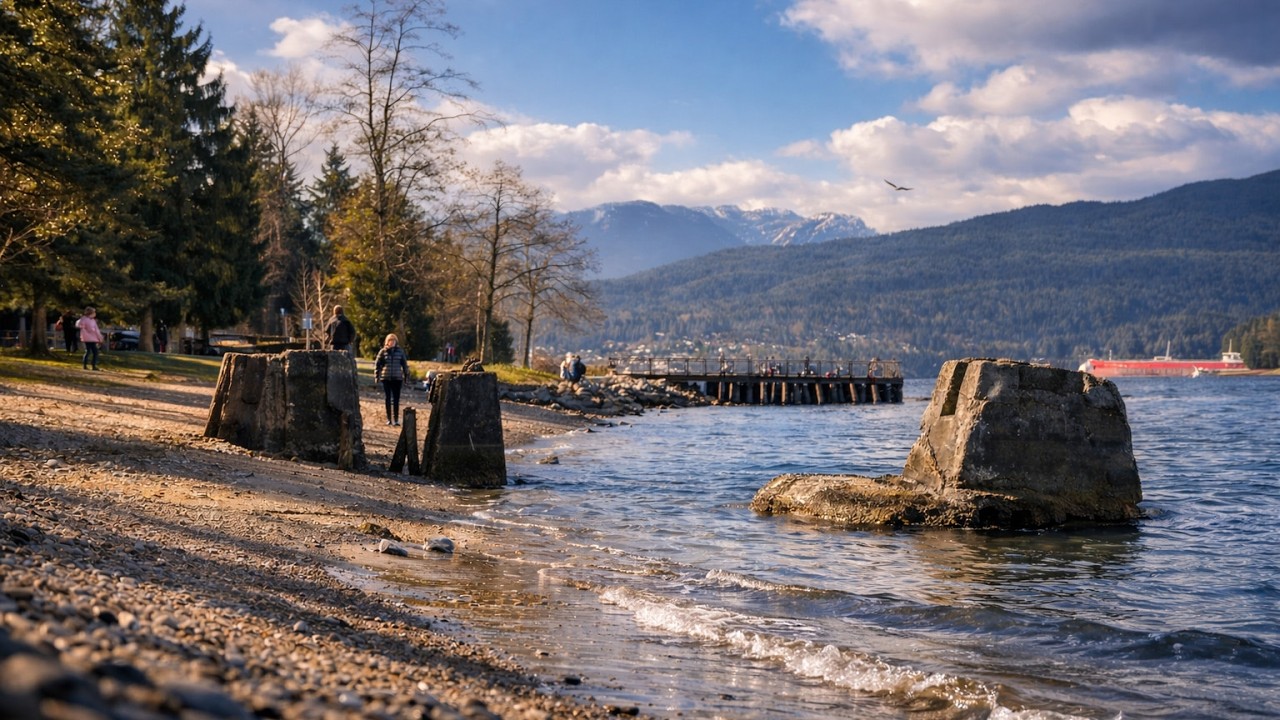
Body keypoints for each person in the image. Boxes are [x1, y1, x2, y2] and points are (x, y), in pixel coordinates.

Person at [374, 333, 410, 426]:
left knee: (396, 399)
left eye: (393, 341)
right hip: (386, 378)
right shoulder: (383, 352)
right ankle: (389, 419)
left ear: (396, 342)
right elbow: (377, 364)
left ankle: (396, 419)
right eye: (390, 340)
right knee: (388, 399)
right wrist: (377, 376)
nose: (392, 342)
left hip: (397, 378)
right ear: (387, 342)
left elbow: (404, 364)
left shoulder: (400, 352)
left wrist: (406, 376)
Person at [75, 306, 103, 371]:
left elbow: (96, 330)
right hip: (89, 338)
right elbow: (93, 330)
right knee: (93, 352)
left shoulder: (91, 320)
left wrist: (99, 337)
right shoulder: (85, 320)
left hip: (91, 338)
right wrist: (99, 338)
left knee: (90, 351)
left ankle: (88, 365)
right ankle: (91, 365)